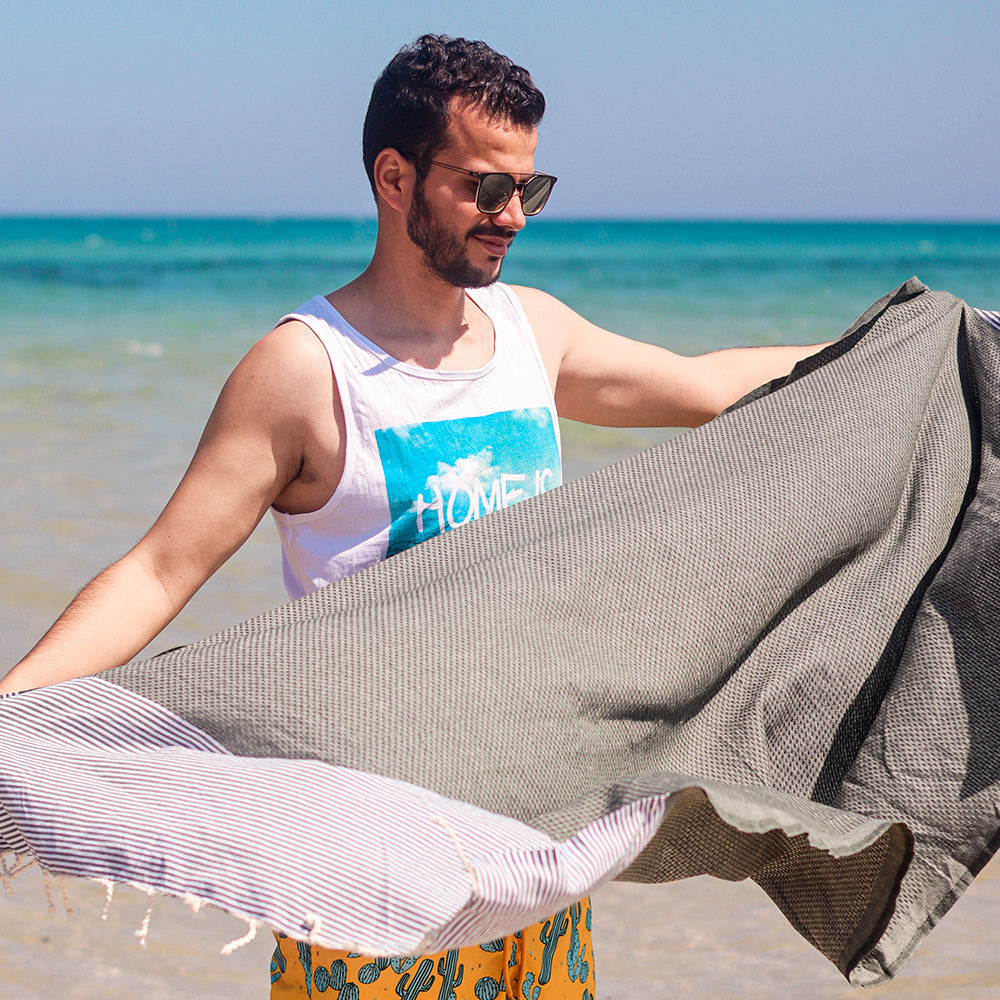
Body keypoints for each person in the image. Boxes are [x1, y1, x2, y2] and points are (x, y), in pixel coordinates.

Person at [0, 33, 827, 1000]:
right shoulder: (309, 370)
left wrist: (917, 337)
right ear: (395, 178)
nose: (512, 215)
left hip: (526, 852)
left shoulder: (533, 333)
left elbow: (710, 384)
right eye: (484, 187)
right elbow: (159, 571)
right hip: (366, 868)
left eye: (531, 188)